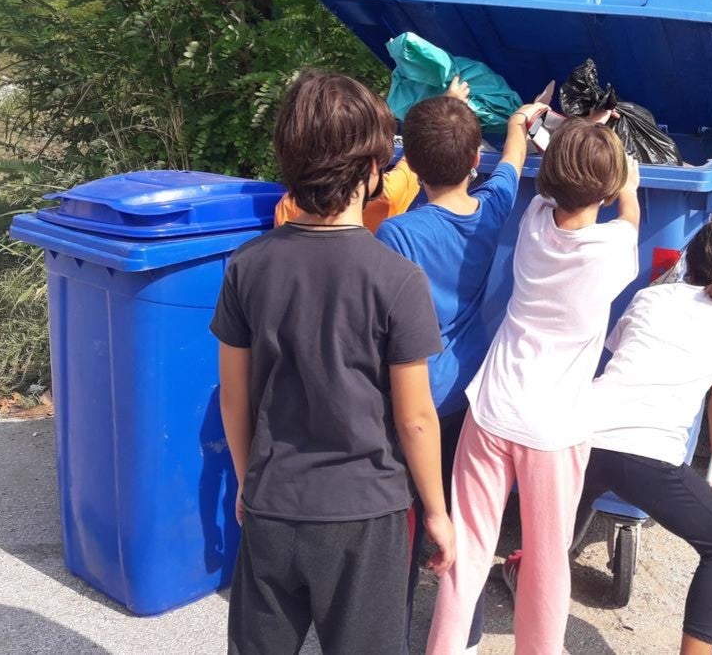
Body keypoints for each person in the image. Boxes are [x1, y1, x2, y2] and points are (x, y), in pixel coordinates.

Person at [211, 71, 455, 655]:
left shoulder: (246, 266)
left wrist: (249, 480)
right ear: (374, 171)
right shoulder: (397, 280)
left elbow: (233, 395)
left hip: (272, 504)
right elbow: (416, 417)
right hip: (366, 518)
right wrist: (438, 514)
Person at [501, 219, 712, 655]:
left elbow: (613, 363)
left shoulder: (650, 297)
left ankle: (522, 572)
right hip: (649, 456)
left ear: (689, 257)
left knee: (561, 532)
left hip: (581, 435)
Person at [427, 119, 641, 655]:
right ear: (610, 188)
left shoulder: (534, 221)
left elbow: (561, 180)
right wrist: (629, 189)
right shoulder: (615, 248)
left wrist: (573, 130)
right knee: (547, 565)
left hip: (491, 409)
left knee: (467, 552)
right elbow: (630, 217)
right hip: (553, 432)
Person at [378, 93, 547, 652]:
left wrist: (441, 115)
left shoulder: (398, 235)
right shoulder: (494, 208)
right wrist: (523, 118)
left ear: (413, 164)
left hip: (413, 404)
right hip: (471, 397)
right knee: (468, 526)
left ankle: (393, 634)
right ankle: (465, 640)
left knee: (404, 531)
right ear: (476, 159)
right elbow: (515, 159)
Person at [271, 76, 471, 231]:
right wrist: (445, 111)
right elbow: (416, 156)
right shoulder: (387, 196)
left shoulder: (286, 208)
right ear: (372, 164)